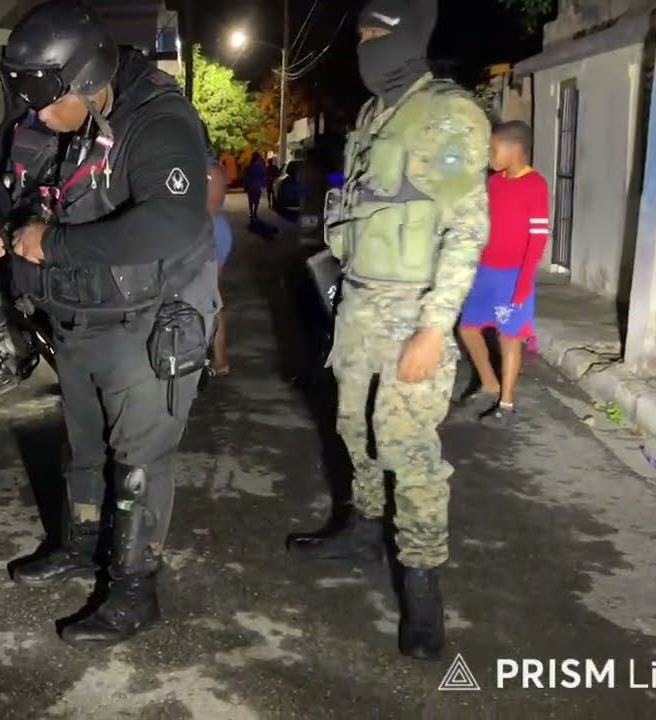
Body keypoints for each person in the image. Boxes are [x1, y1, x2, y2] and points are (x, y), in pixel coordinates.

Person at [0, 1, 218, 647]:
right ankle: (81, 546)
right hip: (80, 316)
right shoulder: (44, 111)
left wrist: (53, 244)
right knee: (83, 449)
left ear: (87, 82)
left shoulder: (157, 119)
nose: (34, 116)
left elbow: (173, 220)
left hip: (148, 316)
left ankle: (135, 590)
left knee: (138, 459)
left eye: (47, 103)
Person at [285, 0, 490, 661]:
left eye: (378, 33)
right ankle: (364, 528)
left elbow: (466, 229)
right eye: (363, 34)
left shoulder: (448, 114)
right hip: (359, 305)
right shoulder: (376, 115)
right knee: (354, 430)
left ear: (410, 38)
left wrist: (434, 329)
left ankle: (423, 588)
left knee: (410, 450)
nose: (366, 44)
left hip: (411, 311)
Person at [458, 121, 549, 427]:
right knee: (468, 329)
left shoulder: (535, 185)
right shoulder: (494, 182)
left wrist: (524, 282)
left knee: (509, 337)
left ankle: (506, 405)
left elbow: (538, 238)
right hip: (485, 271)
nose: (489, 155)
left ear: (515, 149)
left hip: (513, 275)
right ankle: (489, 384)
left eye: (493, 149)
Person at [207, 142, 233, 376]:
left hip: (212, 232)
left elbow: (212, 206)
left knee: (212, 298)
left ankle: (220, 359)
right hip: (210, 231)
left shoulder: (211, 170)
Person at [243, 151, 268, 220]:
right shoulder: (260, 166)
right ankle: (254, 212)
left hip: (251, 185)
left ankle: (251, 212)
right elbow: (264, 175)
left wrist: (245, 185)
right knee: (257, 199)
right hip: (257, 185)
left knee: (251, 199)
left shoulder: (249, 166)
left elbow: (246, 176)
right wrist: (263, 184)